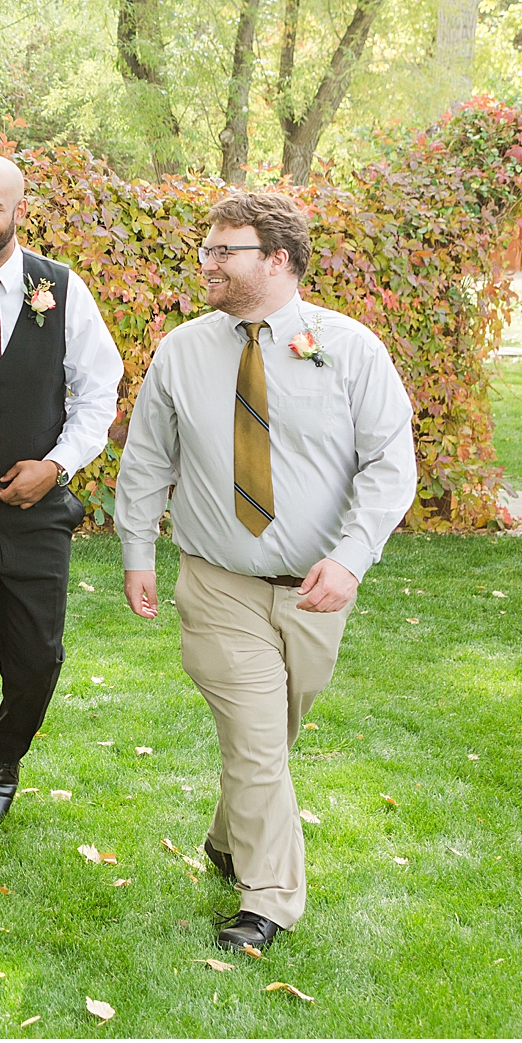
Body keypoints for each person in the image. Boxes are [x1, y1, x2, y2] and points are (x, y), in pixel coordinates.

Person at [115, 189, 415, 950]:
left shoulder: (350, 349)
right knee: (254, 741)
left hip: (318, 594)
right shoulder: (183, 350)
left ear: (277, 260)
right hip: (217, 585)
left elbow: (389, 466)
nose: (206, 262)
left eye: (225, 250)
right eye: (207, 248)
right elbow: (148, 459)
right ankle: (268, 902)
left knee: (269, 744)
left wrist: (350, 561)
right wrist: (136, 552)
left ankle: (227, 838)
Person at [0, 155, 123, 863]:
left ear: (19, 209)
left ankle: (4, 756)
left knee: (37, 661)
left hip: (39, 517)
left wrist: (58, 465)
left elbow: (100, 392)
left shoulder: (61, 290)